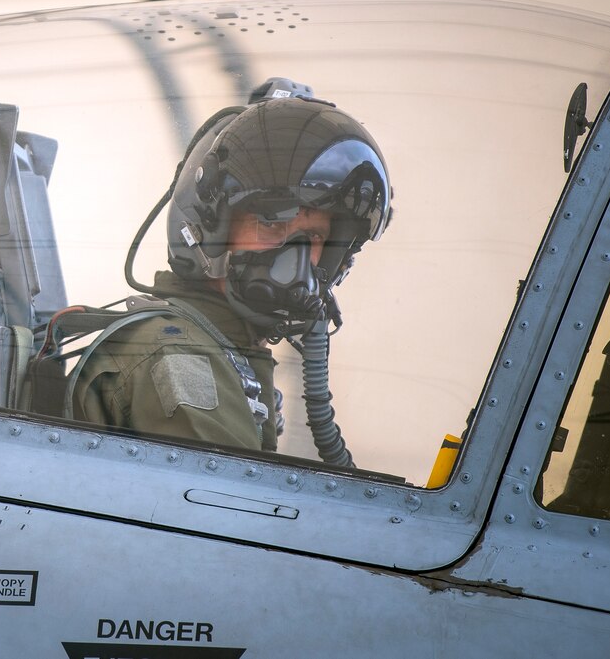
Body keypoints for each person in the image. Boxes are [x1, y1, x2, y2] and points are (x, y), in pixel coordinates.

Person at [70, 79, 392, 455]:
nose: (297, 256)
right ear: (210, 230)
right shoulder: (179, 358)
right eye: (272, 223)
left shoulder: (222, 350)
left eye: (315, 238)